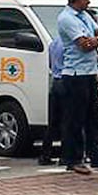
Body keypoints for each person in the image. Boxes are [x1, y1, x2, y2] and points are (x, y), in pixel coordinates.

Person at [56, 0, 98, 176]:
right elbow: (84, 44)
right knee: (75, 120)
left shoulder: (84, 16)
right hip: (75, 75)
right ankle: (73, 159)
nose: (89, 1)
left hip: (90, 72)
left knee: (93, 119)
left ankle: (97, 156)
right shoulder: (67, 19)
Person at [36, 35, 66, 166]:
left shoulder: (54, 43)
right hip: (67, 81)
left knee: (53, 122)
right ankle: (66, 155)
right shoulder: (70, 44)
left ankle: (45, 155)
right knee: (69, 120)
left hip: (55, 82)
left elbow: (50, 64)